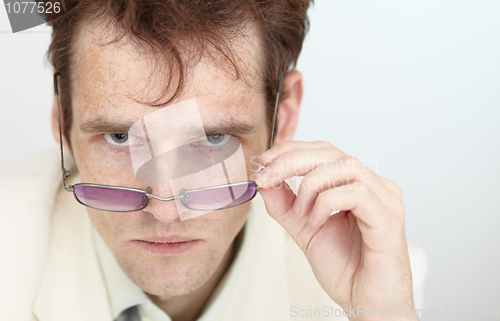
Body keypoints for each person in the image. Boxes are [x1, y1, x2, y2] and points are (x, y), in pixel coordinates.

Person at [0, 1, 427, 320]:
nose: (166, 209)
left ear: (284, 116)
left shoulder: (372, 274)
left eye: (213, 138)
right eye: (120, 137)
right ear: (62, 119)